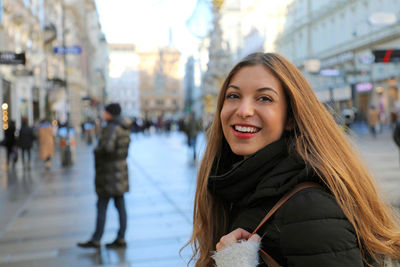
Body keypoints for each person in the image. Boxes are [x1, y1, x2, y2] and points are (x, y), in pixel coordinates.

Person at [186, 53, 400, 266]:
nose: (243, 110)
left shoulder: (310, 208)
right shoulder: (237, 183)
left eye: (264, 98)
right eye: (233, 96)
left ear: (289, 117)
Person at [77, 103, 131, 249]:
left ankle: (97, 238)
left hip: (109, 173)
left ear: (110, 114)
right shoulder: (123, 126)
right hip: (119, 170)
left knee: (102, 205)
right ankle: (121, 237)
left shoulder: (112, 127)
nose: (103, 114)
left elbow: (107, 148)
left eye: (105, 112)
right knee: (120, 205)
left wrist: (96, 151)